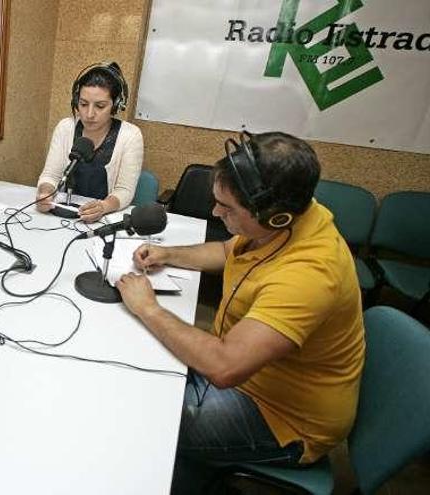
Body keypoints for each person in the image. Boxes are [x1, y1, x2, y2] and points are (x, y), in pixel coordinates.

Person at [115, 132, 365, 492]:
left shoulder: (310, 274)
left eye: (227, 208)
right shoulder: (289, 217)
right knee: (144, 374)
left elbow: (224, 367)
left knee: (150, 419)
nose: (216, 213)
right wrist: (168, 255)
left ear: (277, 218)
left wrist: (148, 309)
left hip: (281, 418)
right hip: (247, 374)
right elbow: (227, 251)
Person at [36, 61, 143, 223]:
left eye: (100, 106)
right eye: (83, 104)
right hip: (63, 216)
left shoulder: (130, 135)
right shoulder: (66, 127)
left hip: (103, 220)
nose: (89, 114)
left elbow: (124, 190)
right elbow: (51, 175)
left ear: (116, 105)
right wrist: (45, 193)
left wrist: (104, 206)